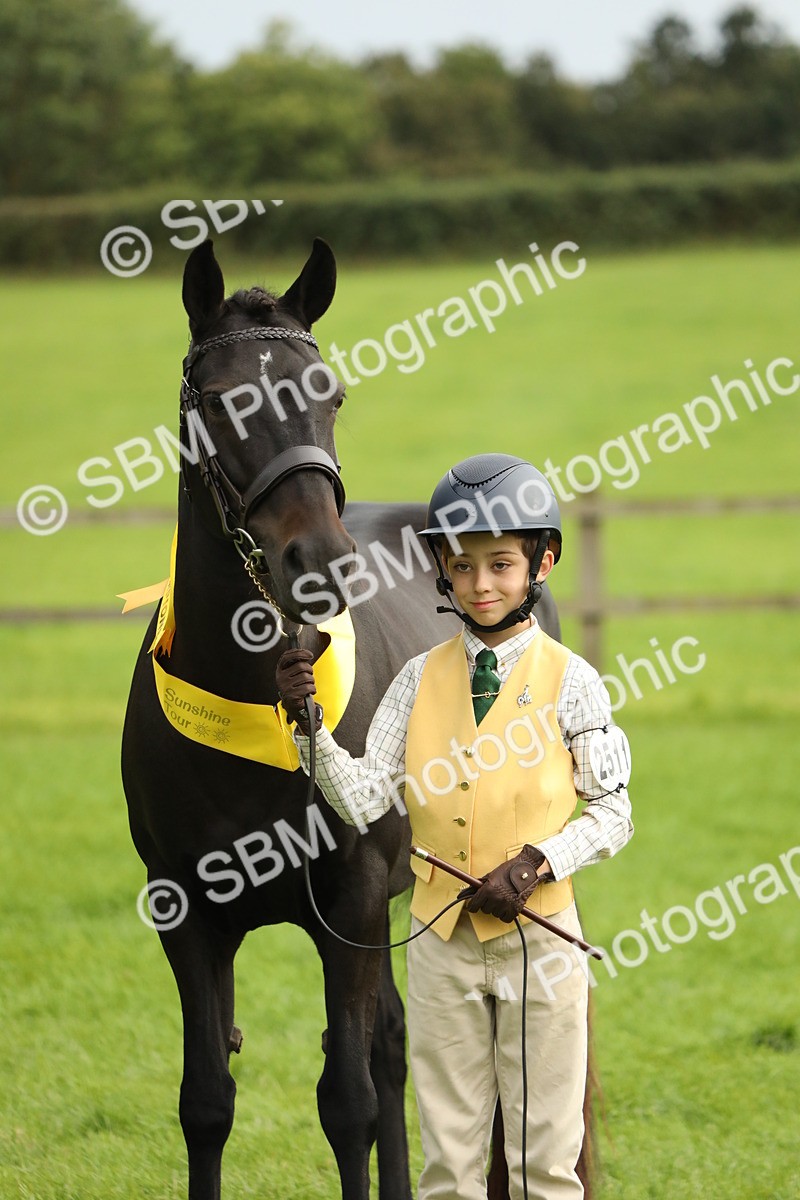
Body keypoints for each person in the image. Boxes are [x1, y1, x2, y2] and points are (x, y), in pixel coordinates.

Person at [276, 453, 633, 1200]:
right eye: (463, 566)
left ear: (543, 562)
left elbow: (613, 812)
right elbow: (366, 796)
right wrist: (308, 726)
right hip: (439, 950)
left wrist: (538, 862)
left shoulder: (575, 682)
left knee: (542, 1169)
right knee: (448, 1171)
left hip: (541, 946)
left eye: (501, 565)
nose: (481, 585)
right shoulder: (415, 679)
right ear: (441, 567)